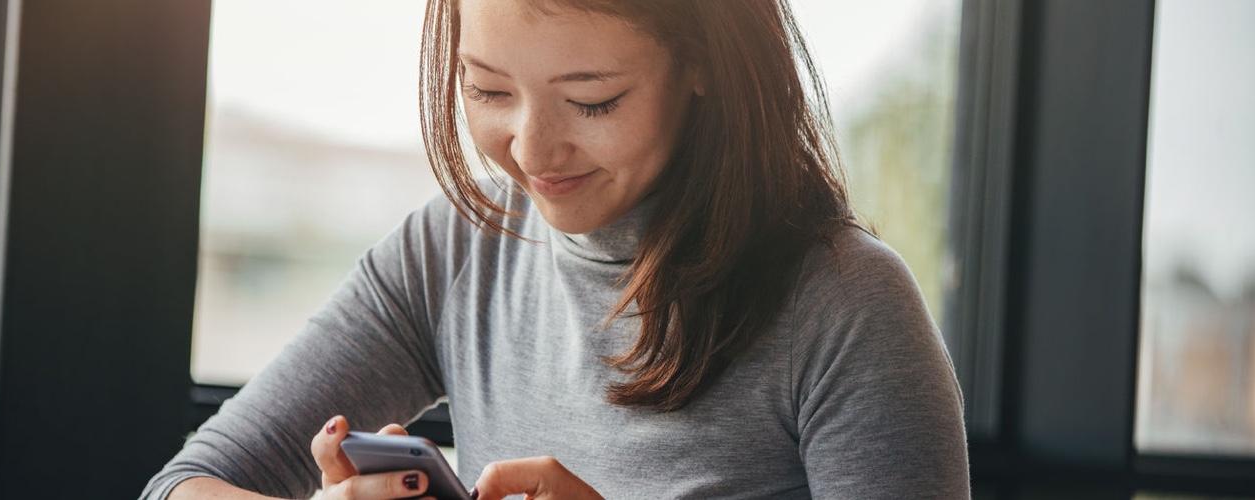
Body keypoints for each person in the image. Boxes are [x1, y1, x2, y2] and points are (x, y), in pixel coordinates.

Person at [142, 0, 969, 498]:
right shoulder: (456, 249)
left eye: (594, 102)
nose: (532, 151)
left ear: (704, 63)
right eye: (487, 90)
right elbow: (183, 485)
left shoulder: (848, 307)